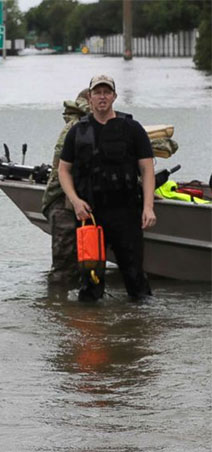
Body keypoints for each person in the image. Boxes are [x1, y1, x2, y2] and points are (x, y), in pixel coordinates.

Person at [58, 74, 156, 301]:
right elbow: (64, 171)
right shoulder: (77, 131)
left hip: (126, 212)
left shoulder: (132, 129)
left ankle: (140, 328)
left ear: (114, 96)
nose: (102, 97)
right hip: (90, 215)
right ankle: (91, 331)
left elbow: (147, 169)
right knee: (90, 279)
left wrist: (148, 207)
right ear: (90, 98)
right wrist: (75, 201)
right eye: (97, 93)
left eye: (106, 92)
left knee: (135, 278)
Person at [41, 88, 90, 285]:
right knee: (65, 268)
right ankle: (58, 308)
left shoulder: (88, 127)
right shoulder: (75, 129)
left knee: (84, 263)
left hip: (78, 202)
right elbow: (63, 170)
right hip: (63, 203)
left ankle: (71, 310)